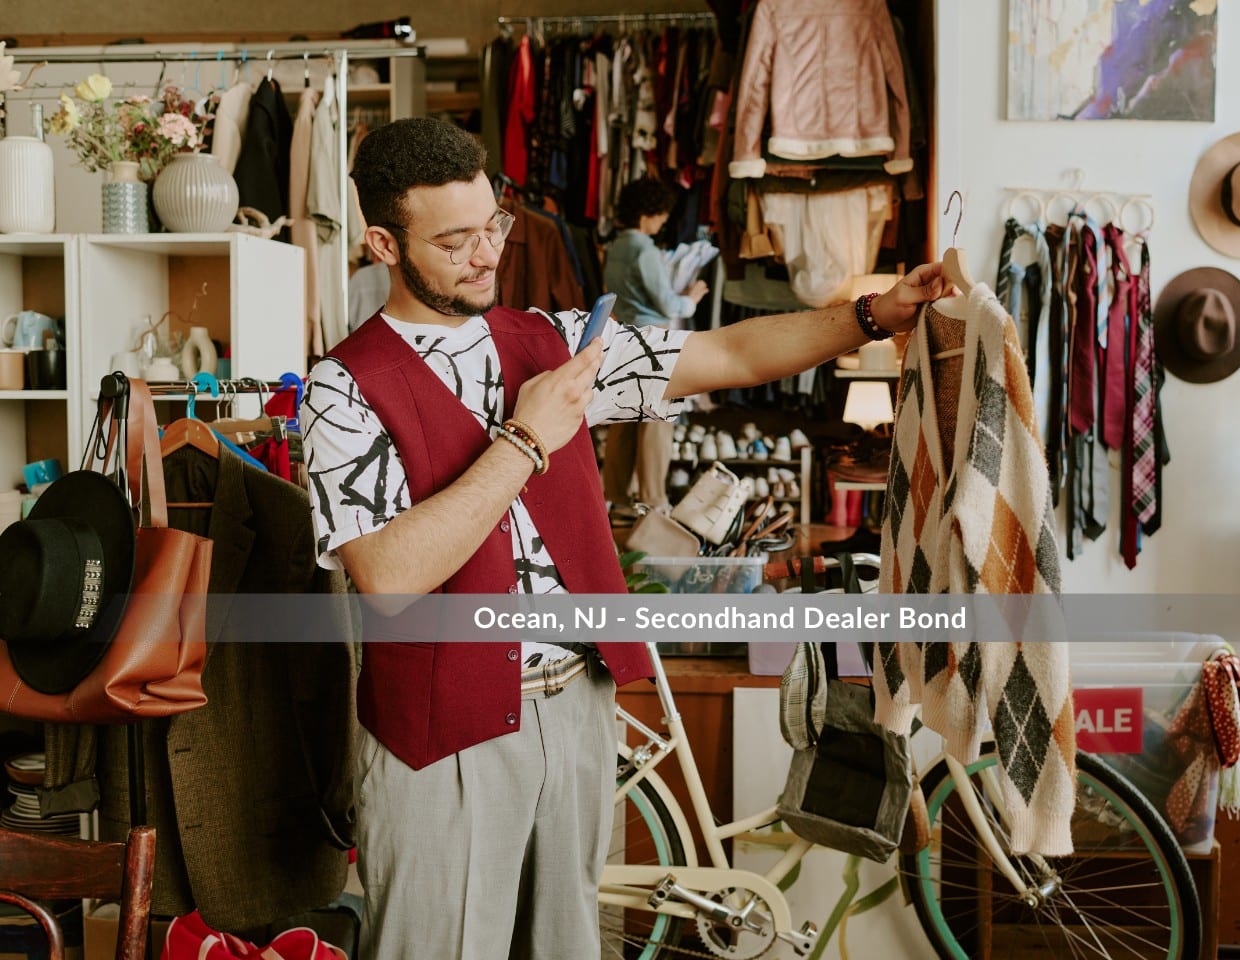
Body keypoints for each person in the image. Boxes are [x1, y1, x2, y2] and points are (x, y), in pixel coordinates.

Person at [298, 117, 948, 960]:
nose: (485, 254)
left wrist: (871, 315)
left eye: (491, 226)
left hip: (579, 703)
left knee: (568, 946)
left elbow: (732, 351)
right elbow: (389, 577)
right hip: (441, 733)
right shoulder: (342, 389)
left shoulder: (552, 340)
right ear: (384, 242)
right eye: (454, 240)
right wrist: (527, 440)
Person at [601, 178, 708, 516]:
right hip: (653, 337)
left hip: (624, 334)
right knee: (657, 419)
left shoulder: (617, 245)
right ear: (649, 213)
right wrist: (690, 299)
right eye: (661, 214)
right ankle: (654, 500)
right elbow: (666, 304)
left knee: (624, 418)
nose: (664, 220)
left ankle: (616, 497)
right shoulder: (644, 249)